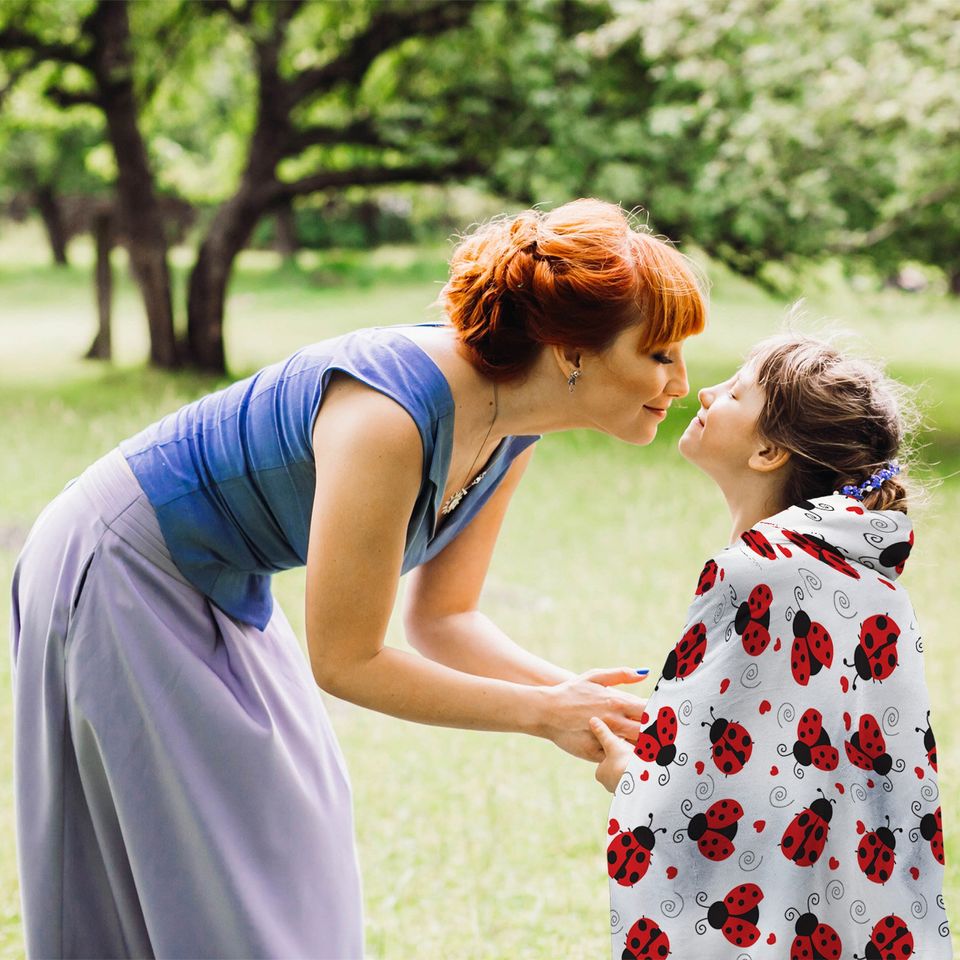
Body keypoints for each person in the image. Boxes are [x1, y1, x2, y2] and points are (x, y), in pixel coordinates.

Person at [9, 198, 706, 958]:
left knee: (297, 834)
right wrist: (541, 714)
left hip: (220, 576)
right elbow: (345, 660)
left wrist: (587, 706)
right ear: (572, 350)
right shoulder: (390, 416)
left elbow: (444, 620)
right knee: (212, 879)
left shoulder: (515, 427)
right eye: (661, 354)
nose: (681, 383)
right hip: (121, 564)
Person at [591, 333, 952, 959]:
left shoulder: (754, 570)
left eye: (734, 392)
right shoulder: (868, 579)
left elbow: (707, 788)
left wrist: (627, 775)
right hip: (843, 911)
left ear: (768, 451)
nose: (704, 391)